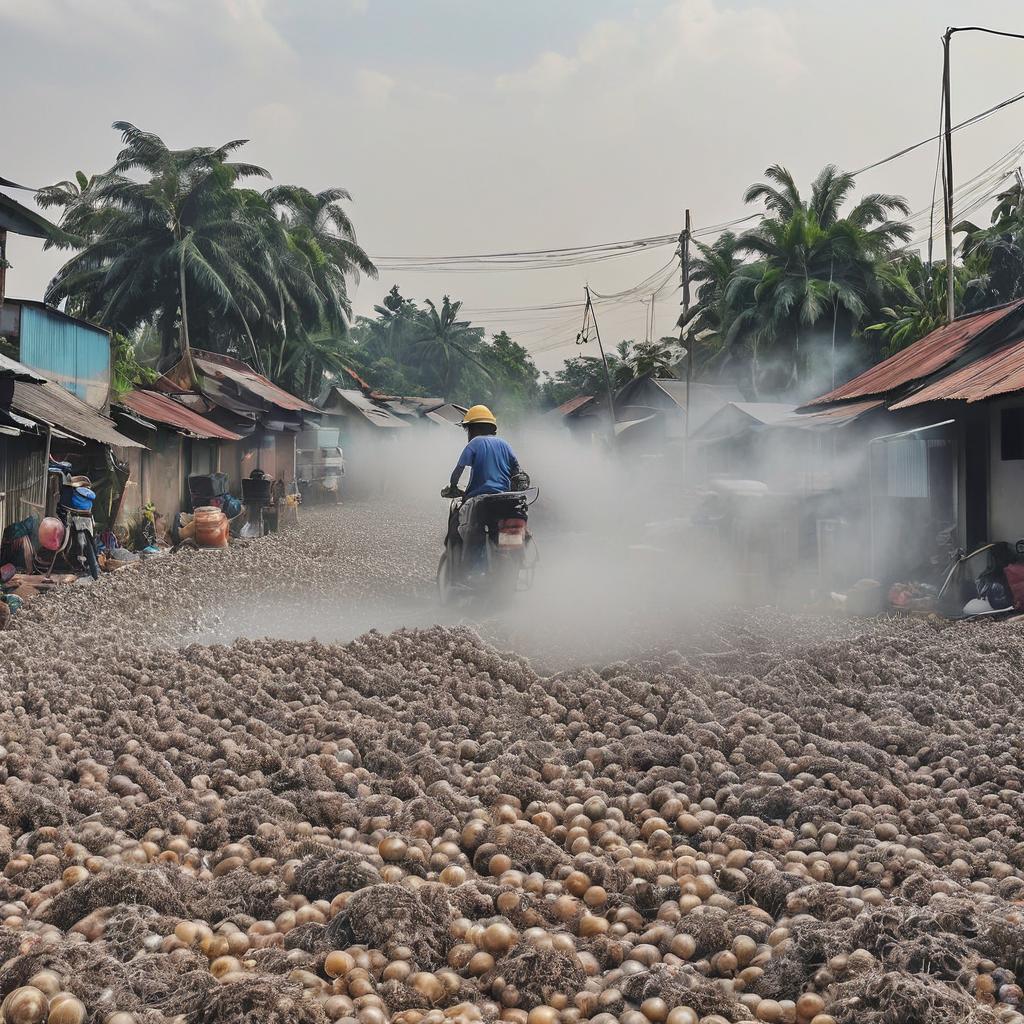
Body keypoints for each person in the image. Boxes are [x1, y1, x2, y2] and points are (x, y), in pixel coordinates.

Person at [441, 405, 521, 564]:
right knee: (512, 529)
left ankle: (468, 566)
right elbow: (517, 470)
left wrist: (453, 486)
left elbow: (458, 471)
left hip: (480, 500)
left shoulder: (474, 443)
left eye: (468, 429)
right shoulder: (505, 444)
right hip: (505, 499)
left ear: (474, 429)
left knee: (461, 525)